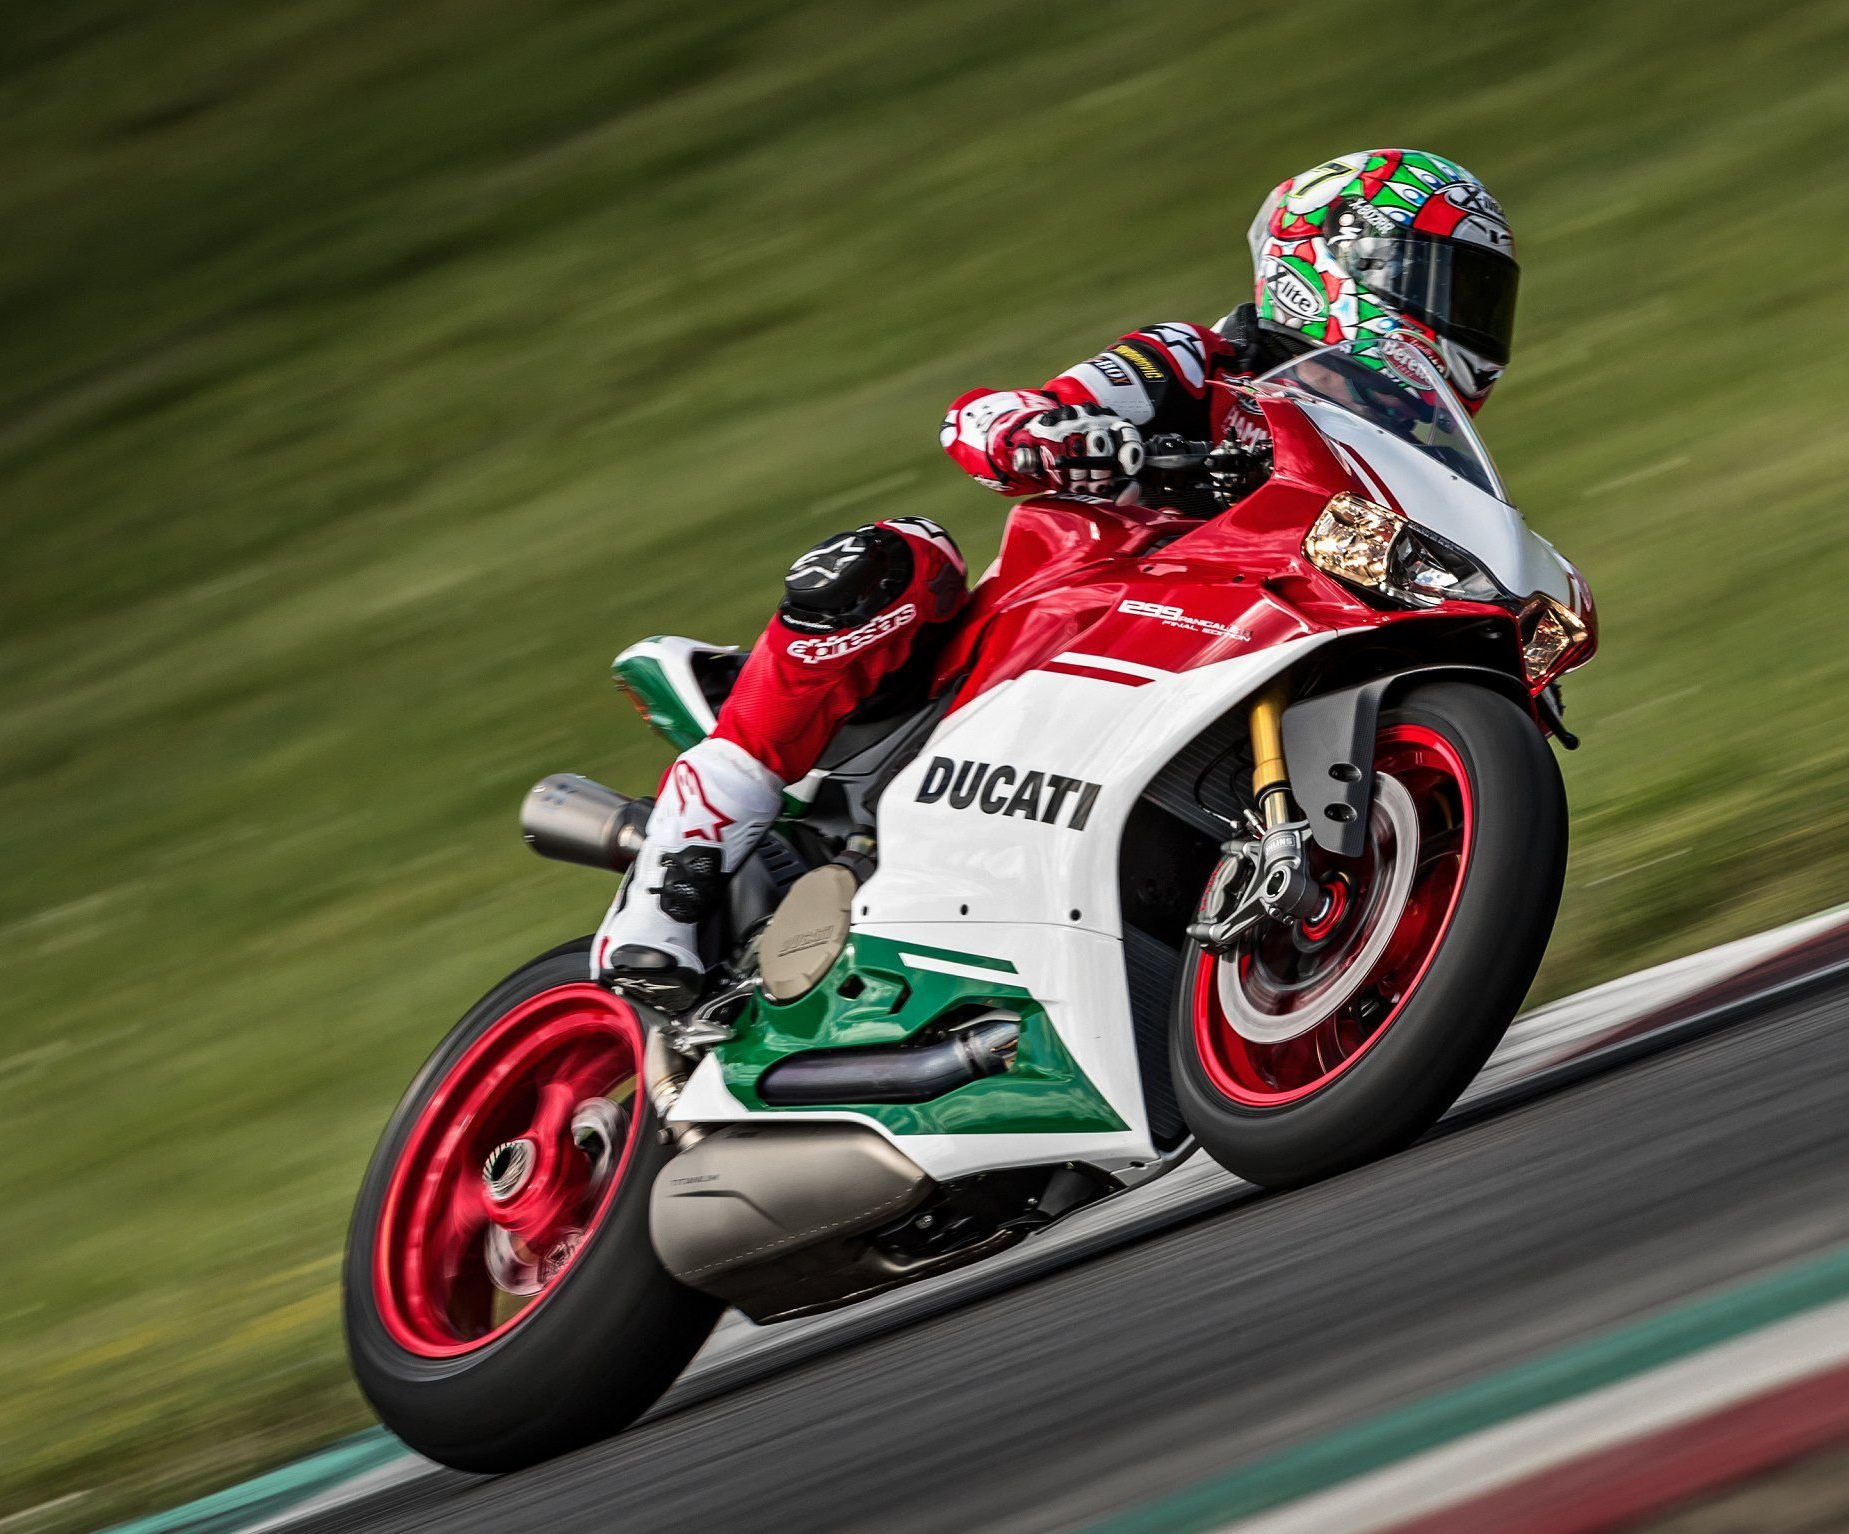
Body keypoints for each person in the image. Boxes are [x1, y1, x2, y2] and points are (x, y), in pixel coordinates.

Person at [594, 148, 1519, 1003]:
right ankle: (666, 893)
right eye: (1442, 283)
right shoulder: (1194, 361)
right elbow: (989, 418)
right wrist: (1051, 433)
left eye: (1480, 297)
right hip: (1042, 635)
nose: (1460, 318)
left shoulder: (1398, 450)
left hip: (1224, 650)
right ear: (1325, 264)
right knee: (897, 557)